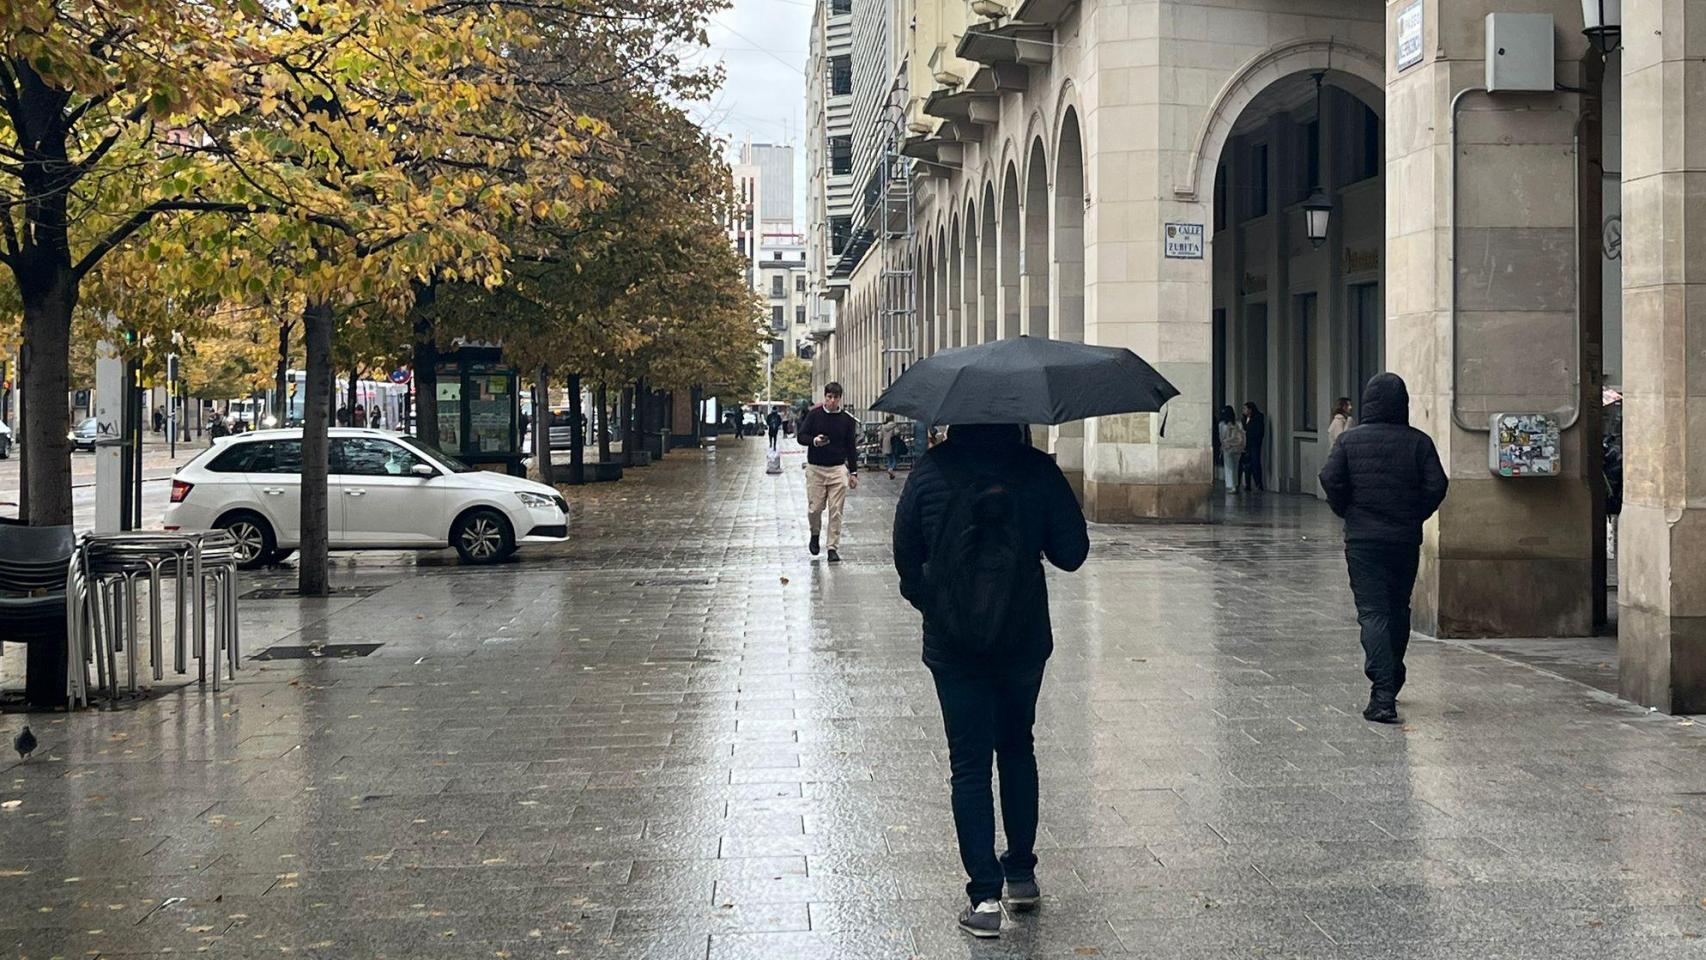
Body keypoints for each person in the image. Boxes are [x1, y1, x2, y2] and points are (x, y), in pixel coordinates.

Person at [892, 422, 1089, 939]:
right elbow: (1072, 554)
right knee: (1017, 748)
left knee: (969, 763)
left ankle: (983, 897)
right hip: (1022, 638)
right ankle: (1021, 874)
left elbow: (905, 561)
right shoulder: (1037, 470)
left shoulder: (929, 472)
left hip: (953, 646)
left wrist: (938, 605)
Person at [1318, 373, 1448, 725]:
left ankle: (1383, 692)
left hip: (1363, 540)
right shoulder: (1418, 443)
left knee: (1373, 611)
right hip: (1403, 538)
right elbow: (1437, 485)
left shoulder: (1350, 441)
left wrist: (1347, 509)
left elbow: (1330, 478)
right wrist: (1414, 513)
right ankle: (1392, 676)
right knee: (1397, 608)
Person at [796, 382, 860, 562]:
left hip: (837, 468)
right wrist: (814, 440)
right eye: (829, 397)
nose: (832, 401)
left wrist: (853, 472)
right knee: (815, 508)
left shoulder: (847, 420)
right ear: (824, 397)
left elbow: (850, 446)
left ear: (840, 398)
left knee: (836, 510)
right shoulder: (814, 415)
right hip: (816, 468)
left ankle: (832, 547)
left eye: (835, 397)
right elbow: (801, 436)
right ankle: (814, 534)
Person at [1216, 406, 1245, 493]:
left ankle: (1231, 485)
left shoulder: (1222, 425)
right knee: (1235, 467)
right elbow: (1242, 436)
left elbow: (1221, 437)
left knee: (1229, 467)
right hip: (1237, 448)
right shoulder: (1238, 423)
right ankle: (1235, 484)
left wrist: (1223, 445)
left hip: (1227, 448)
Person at [1240, 401, 1266, 492]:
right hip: (1246, 444)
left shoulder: (1258, 418)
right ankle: (1247, 484)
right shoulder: (1244, 419)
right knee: (1247, 464)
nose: (1243, 410)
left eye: (1245, 409)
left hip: (1254, 444)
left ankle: (1258, 483)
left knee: (1255, 463)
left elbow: (1259, 431)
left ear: (1250, 410)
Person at [879, 414, 903, 479]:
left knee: (889, 459)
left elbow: (880, 437)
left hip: (885, 444)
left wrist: (880, 444)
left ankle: (891, 473)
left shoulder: (883, 426)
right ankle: (891, 469)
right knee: (895, 458)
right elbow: (897, 433)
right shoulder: (894, 425)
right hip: (892, 443)